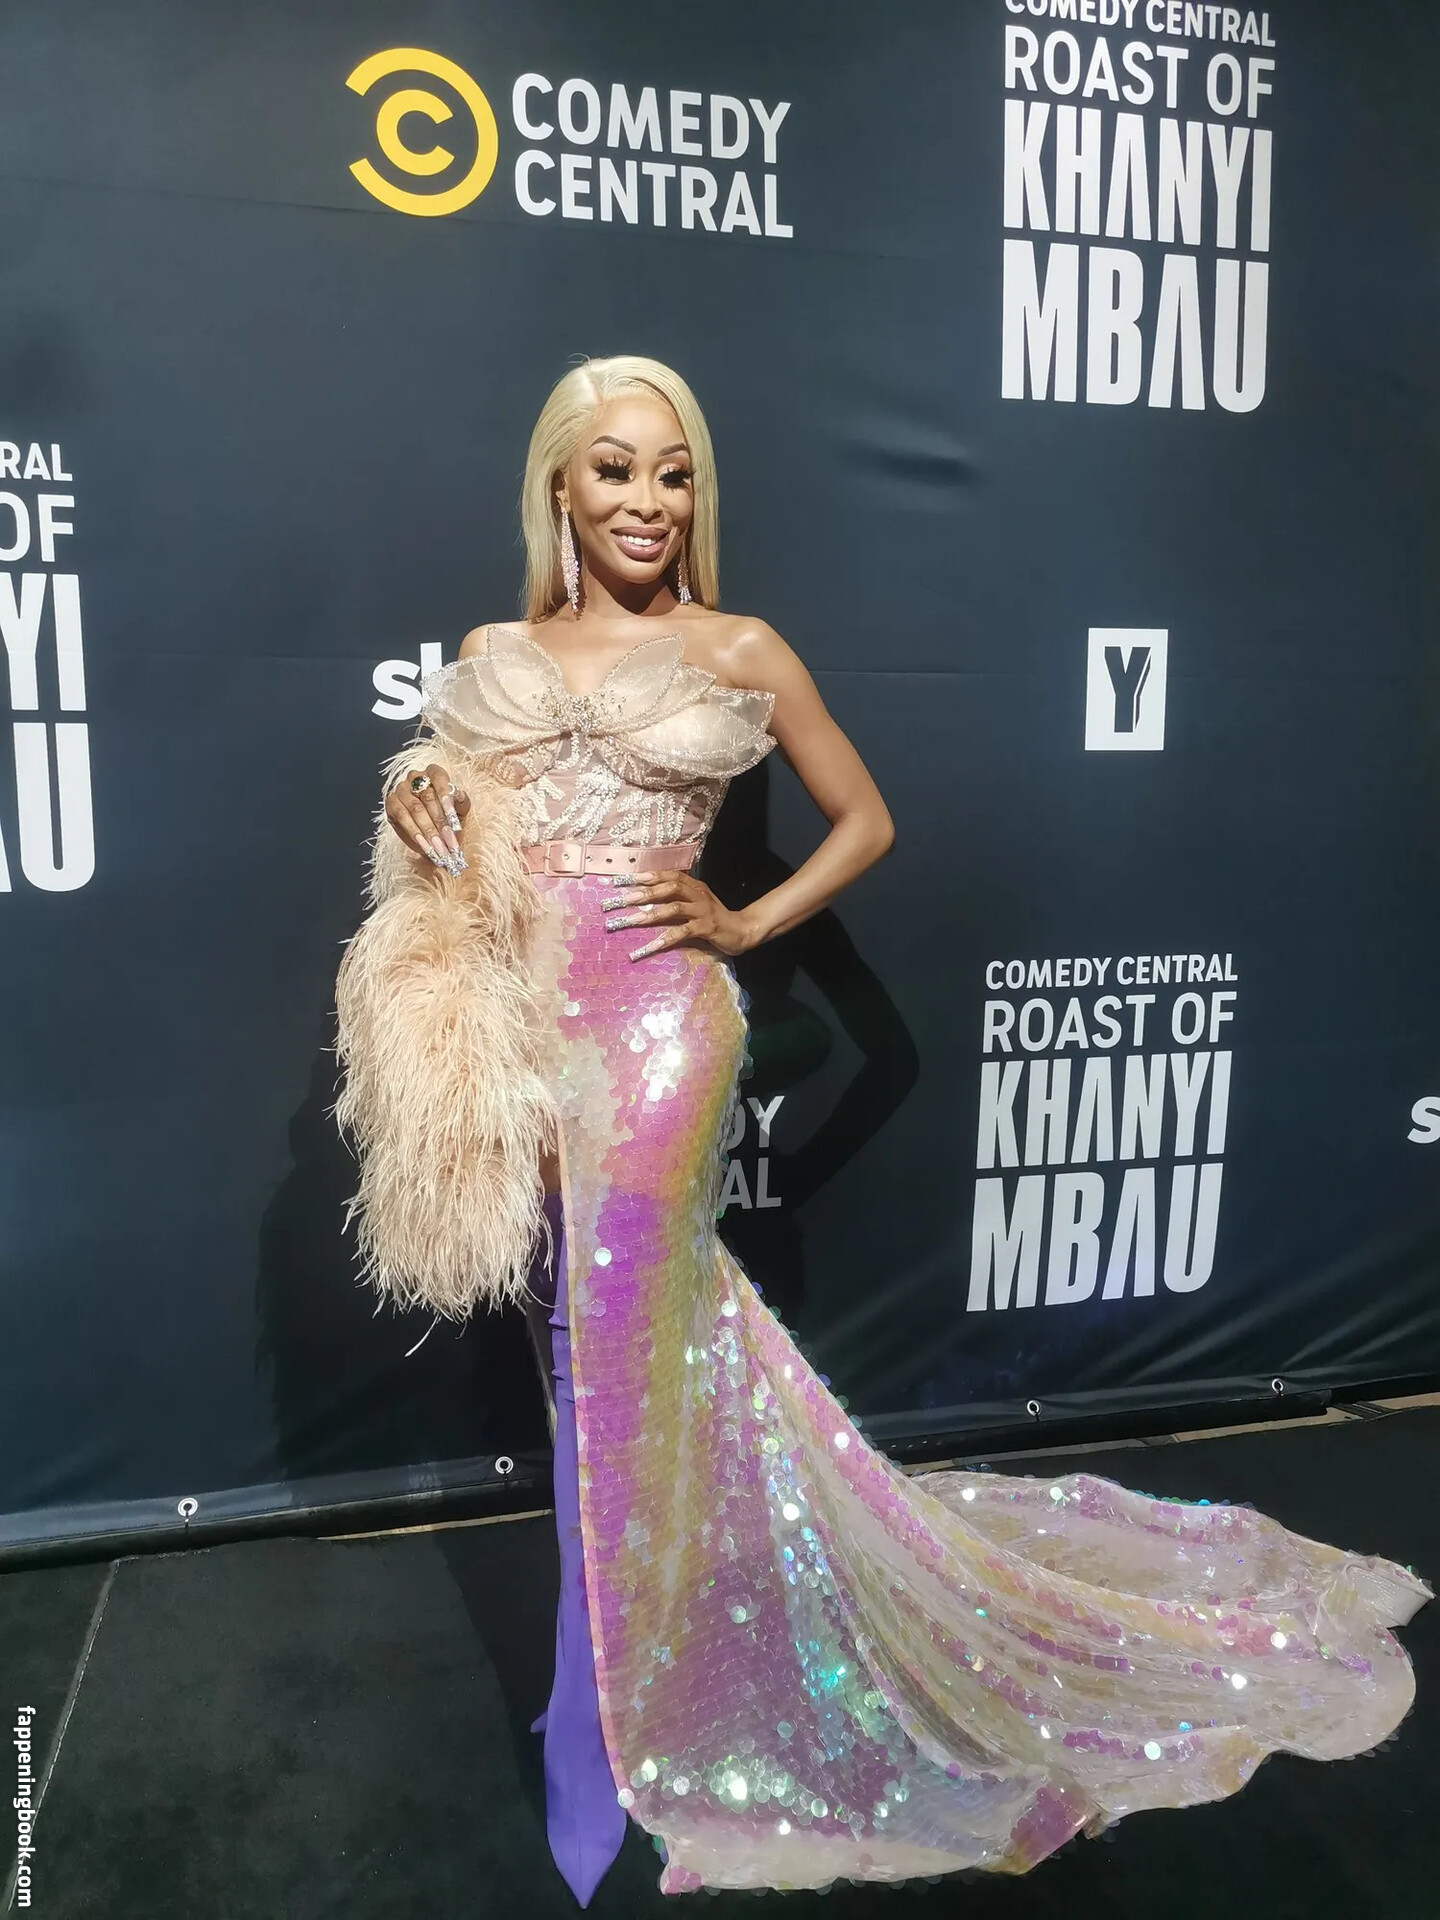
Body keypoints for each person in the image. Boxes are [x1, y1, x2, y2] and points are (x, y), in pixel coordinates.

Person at [334, 355, 1430, 1902]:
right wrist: (422, 812)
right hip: (515, 1037)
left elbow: (868, 819)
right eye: (616, 470)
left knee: (605, 1345)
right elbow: (458, 836)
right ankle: (636, 1652)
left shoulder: (739, 647)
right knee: (571, 1348)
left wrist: (744, 920)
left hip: (659, 1035)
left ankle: (605, 1730)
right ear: (559, 486)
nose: (648, 501)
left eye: (674, 473)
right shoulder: (490, 654)